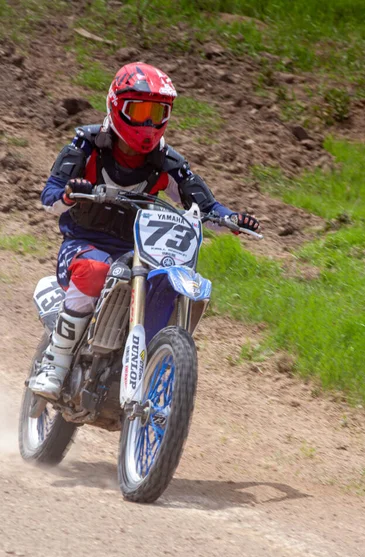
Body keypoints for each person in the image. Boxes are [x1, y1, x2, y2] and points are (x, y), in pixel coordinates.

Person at [30, 62, 260, 400]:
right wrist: (68, 194)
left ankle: (157, 360)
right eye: (139, 111)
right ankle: (56, 362)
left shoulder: (166, 162)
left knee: (169, 283)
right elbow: (49, 197)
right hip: (84, 244)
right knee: (96, 271)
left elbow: (202, 204)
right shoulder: (86, 146)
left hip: (140, 250)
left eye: (158, 112)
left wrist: (231, 219)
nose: (149, 123)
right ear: (116, 105)